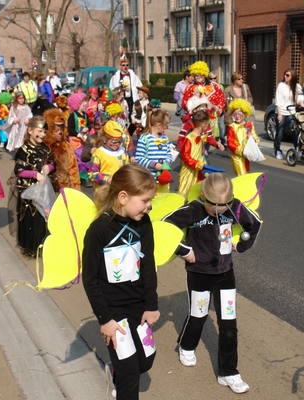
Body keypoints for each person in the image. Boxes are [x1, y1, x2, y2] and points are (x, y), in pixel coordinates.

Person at [162, 172, 261, 394]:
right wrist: (184, 250)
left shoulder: (235, 208)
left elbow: (254, 224)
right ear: (204, 197)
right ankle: (186, 345)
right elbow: (165, 227)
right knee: (199, 315)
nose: (218, 210)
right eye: (213, 205)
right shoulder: (193, 210)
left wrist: (241, 245)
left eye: (224, 206)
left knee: (229, 324)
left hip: (225, 272)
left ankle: (228, 372)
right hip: (198, 272)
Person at [82, 163, 159, 400]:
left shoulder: (143, 223)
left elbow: (148, 266)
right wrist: (105, 320)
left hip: (138, 306)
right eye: (145, 200)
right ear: (123, 197)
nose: (149, 206)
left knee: (145, 361)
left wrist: (151, 304)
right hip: (114, 313)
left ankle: (118, 371)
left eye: (150, 201)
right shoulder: (99, 230)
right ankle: (122, 378)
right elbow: (90, 279)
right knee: (130, 373)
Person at [8, 116, 55, 258]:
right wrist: (35, 175)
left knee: (43, 217)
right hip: (28, 192)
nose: (42, 135)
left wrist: (49, 167)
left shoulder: (46, 149)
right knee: (30, 219)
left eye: (44, 132)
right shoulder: (23, 150)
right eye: (39, 131)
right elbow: (19, 170)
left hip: (43, 190)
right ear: (30, 130)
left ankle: (42, 244)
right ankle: (30, 247)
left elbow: (53, 163)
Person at [135, 109, 173, 194]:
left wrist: (166, 163)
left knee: (163, 202)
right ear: (159, 125)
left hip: (163, 180)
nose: (167, 128)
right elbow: (139, 159)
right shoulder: (144, 138)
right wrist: (155, 165)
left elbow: (169, 155)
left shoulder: (165, 139)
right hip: (148, 180)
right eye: (166, 125)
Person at [43, 109, 81, 191]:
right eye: (56, 131)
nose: (60, 133)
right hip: (48, 187)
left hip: (65, 187)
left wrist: (76, 188)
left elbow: (73, 168)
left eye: (61, 130)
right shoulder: (44, 147)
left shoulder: (66, 146)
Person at [177, 110, 210, 198]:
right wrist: (197, 164)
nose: (208, 127)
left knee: (196, 195)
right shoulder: (189, 138)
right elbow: (185, 156)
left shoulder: (200, 137)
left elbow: (200, 153)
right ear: (203, 125)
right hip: (189, 172)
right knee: (185, 195)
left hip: (198, 170)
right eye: (207, 125)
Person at [88, 120, 129, 190]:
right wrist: (108, 179)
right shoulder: (99, 154)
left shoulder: (122, 152)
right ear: (104, 139)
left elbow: (126, 168)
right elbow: (92, 174)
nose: (117, 144)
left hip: (119, 190)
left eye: (120, 141)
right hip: (104, 191)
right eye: (114, 141)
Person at [274, 68, 304, 160]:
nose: (285, 77)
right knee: (279, 132)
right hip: (281, 112)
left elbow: (300, 97)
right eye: (285, 75)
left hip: (291, 112)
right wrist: (279, 114)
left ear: (293, 77)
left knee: (295, 132)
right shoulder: (281, 85)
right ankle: (277, 151)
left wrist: (302, 103)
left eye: (287, 75)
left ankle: (298, 150)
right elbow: (278, 101)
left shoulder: (297, 86)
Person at [109, 55, 143, 135]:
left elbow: (140, 87)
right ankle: (123, 134)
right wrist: (122, 89)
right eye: (123, 65)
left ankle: (129, 134)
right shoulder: (115, 77)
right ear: (120, 66)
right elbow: (113, 89)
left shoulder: (134, 76)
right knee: (123, 119)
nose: (125, 67)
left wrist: (134, 90)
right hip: (122, 101)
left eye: (127, 65)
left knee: (135, 120)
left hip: (132, 100)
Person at [226, 98, 260, 176]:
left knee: (246, 173)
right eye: (235, 113)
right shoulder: (232, 127)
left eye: (240, 113)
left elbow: (257, 139)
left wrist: (253, 139)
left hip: (247, 156)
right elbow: (230, 143)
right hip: (237, 157)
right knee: (241, 175)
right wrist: (241, 150)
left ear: (245, 113)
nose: (237, 116)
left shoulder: (250, 125)